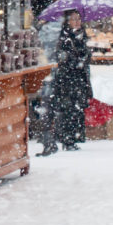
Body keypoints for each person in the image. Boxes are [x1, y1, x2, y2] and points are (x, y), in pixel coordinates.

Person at [39, 9, 93, 155]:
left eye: (78, 19)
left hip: (79, 78)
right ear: (67, 22)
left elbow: (85, 54)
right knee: (68, 108)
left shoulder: (81, 35)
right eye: (73, 19)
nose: (77, 22)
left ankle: (73, 137)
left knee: (77, 108)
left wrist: (85, 57)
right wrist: (76, 60)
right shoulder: (64, 37)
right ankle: (67, 139)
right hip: (67, 79)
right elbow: (62, 58)